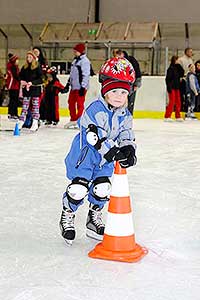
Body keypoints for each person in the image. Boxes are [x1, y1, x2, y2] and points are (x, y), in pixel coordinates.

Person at [59, 57, 137, 245]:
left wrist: (129, 149)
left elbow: (127, 133)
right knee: (79, 189)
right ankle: (67, 215)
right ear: (105, 91)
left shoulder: (124, 114)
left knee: (102, 188)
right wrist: (112, 152)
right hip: (85, 156)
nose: (119, 96)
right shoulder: (94, 109)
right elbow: (95, 138)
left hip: (104, 161)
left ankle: (93, 219)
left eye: (123, 93)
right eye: (114, 91)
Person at [64, 43, 91, 129]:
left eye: (76, 51)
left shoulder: (85, 61)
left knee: (79, 104)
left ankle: (79, 120)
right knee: (71, 103)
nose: (74, 53)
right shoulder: (75, 61)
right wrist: (68, 83)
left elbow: (86, 74)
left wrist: (83, 87)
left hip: (80, 87)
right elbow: (72, 74)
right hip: (73, 86)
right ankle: (73, 119)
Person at [18, 51, 43, 131]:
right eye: (27, 57)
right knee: (24, 107)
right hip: (27, 91)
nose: (28, 59)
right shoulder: (24, 67)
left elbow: (41, 79)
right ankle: (21, 121)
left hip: (35, 90)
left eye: (30, 57)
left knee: (35, 107)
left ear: (33, 58)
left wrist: (32, 83)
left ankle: (35, 122)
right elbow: (20, 76)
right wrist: (22, 81)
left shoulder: (37, 67)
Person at [115, 49, 142, 115]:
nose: (118, 58)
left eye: (118, 56)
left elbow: (137, 72)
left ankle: (129, 116)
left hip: (131, 84)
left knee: (130, 102)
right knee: (120, 101)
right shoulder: (116, 61)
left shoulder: (131, 60)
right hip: (120, 84)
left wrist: (137, 84)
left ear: (122, 54)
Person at [164, 55, 184, 121]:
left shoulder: (177, 68)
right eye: (178, 60)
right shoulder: (170, 69)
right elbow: (167, 79)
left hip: (177, 87)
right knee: (172, 102)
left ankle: (178, 116)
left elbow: (182, 72)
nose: (179, 61)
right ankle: (167, 116)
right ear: (175, 60)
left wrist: (179, 65)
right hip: (171, 87)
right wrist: (169, 87)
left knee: (178, 102)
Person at [6, 53, 20, 120]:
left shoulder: (13, 66)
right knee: (14, 100)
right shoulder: (13, 67)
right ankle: (13, 113)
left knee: (13, 100)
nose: (18, 61)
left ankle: (13, 113)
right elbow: (16, 76)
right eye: (17, 60)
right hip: (13, 86)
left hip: (13, 86)